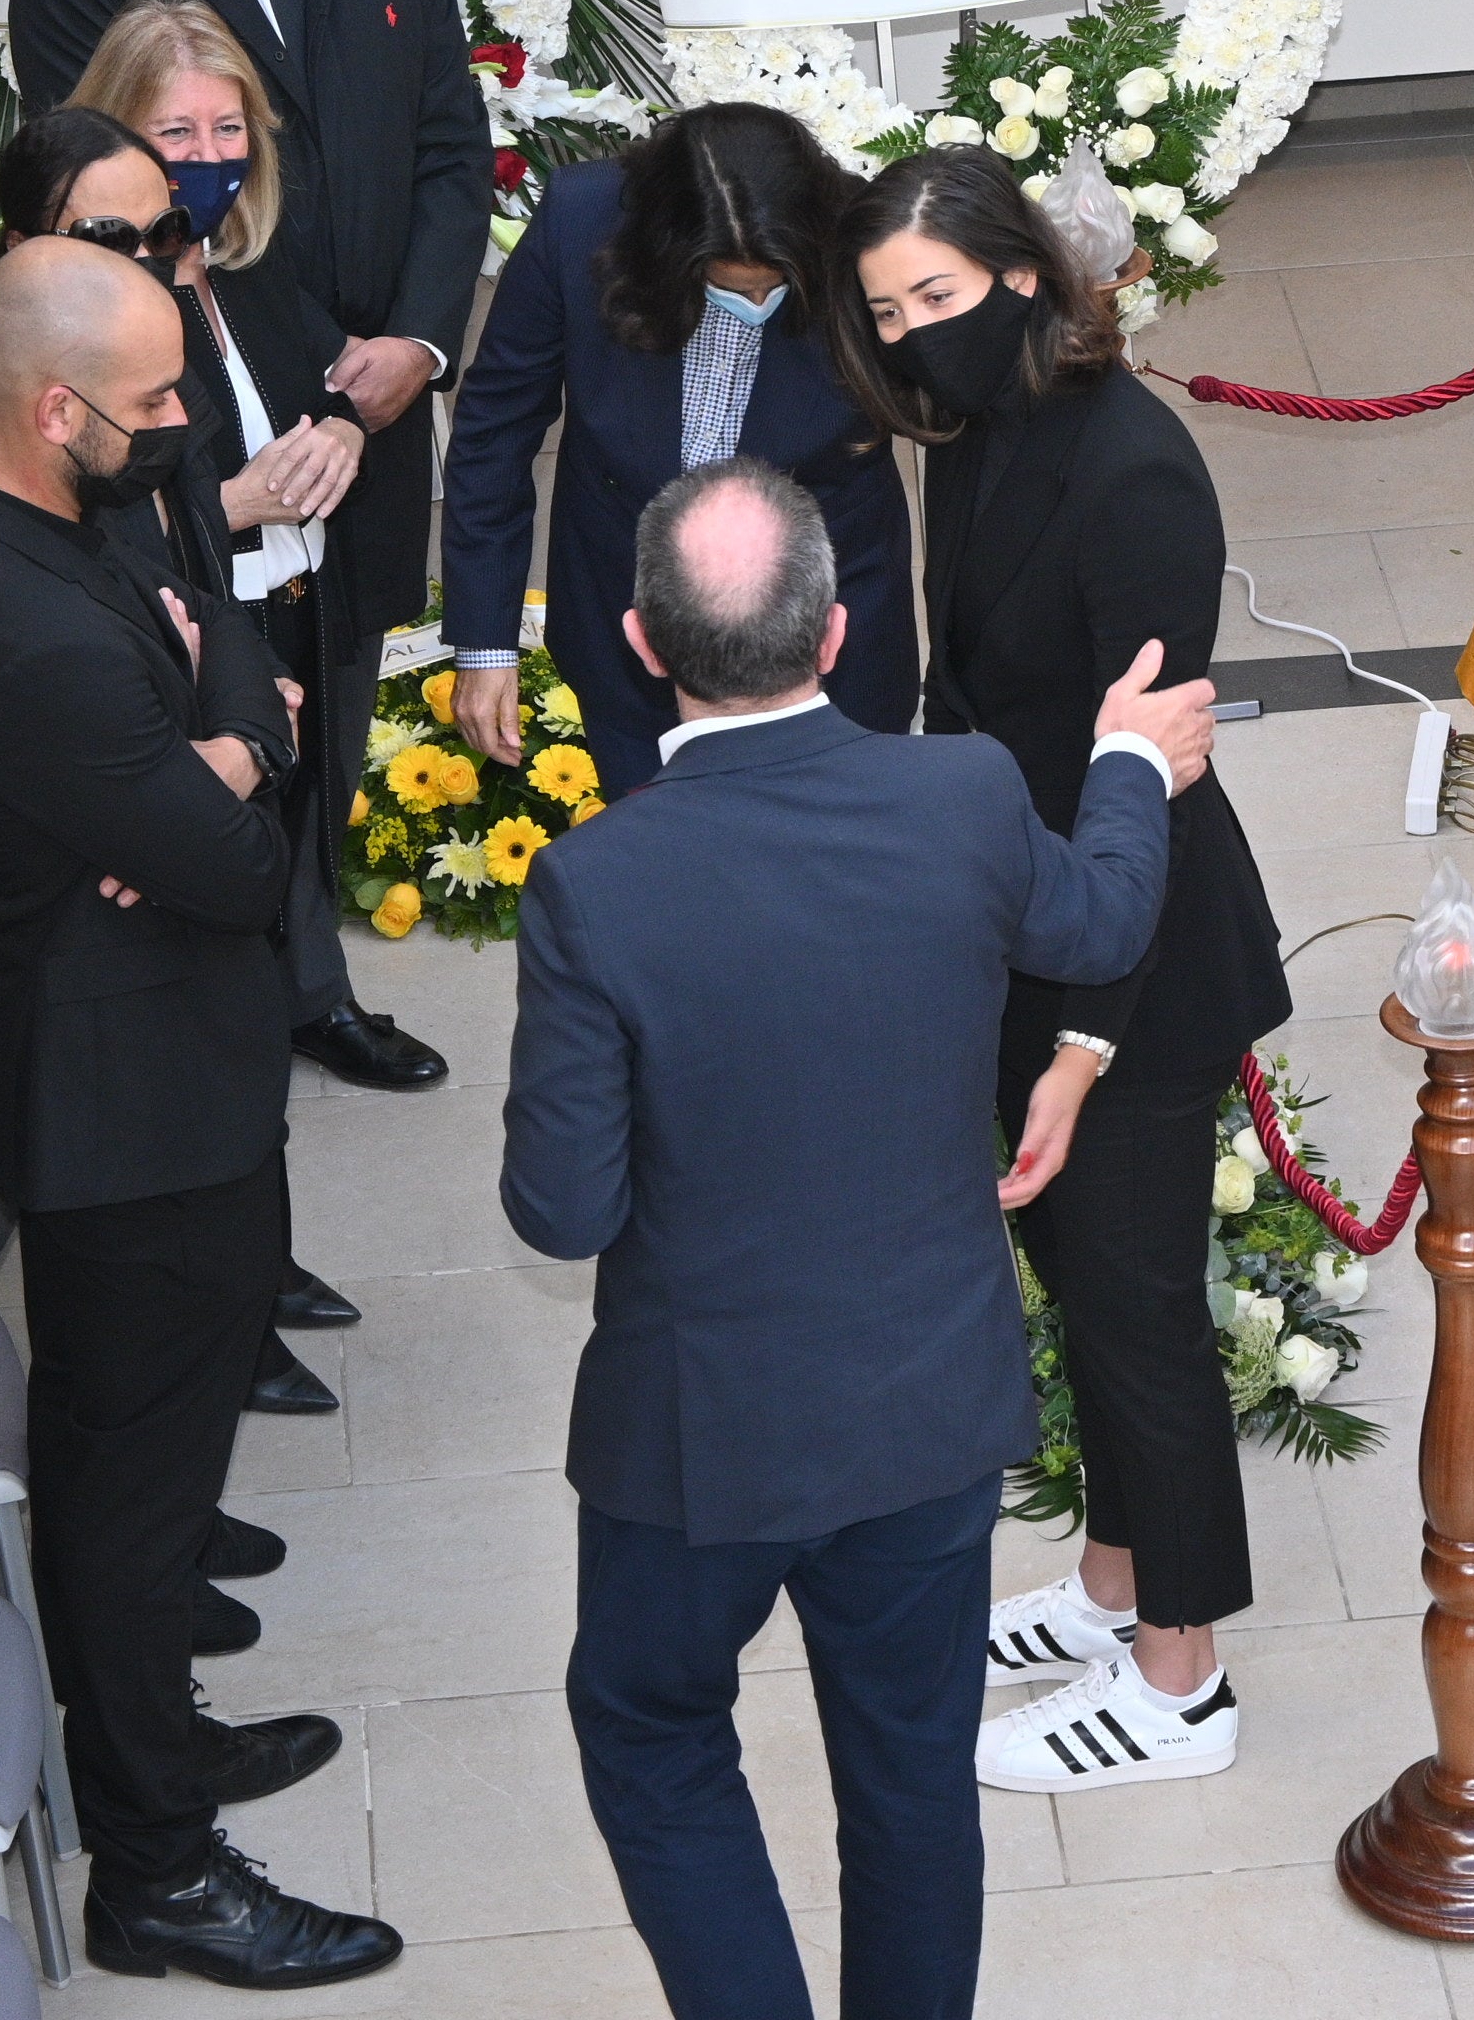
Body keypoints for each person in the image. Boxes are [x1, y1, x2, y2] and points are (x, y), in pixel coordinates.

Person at [504, 458, 1214, 2020]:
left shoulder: (593, 887)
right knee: (908, 1785)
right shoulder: (957, 793)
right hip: (923, 1408)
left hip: (698, 1443)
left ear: (636, 641)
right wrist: (1125, 766)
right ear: (834, 634)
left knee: (650, 1730)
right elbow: (1096, 924)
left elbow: (562, 1208)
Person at [0, 239, 402, 1991]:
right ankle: (158, 1865)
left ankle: (150, 1735)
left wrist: (211, 735)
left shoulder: (62, 492)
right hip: (122, 1110)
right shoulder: (20, 620)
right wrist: (235, 762)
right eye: (156, 399)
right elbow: (252, 856)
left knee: (147, 1474)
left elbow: (235, 638)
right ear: (51, 408)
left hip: (162, 1057)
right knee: (128, 1486)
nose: (187, 428)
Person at [832, 151, 1290, 1790]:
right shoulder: (976, 434)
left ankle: (1182, 1674)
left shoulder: (1133, 473)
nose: (909, 338)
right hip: (1023, 912)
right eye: (887, 312)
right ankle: (1114, 1583)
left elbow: (1146, 772)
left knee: (1138, 1304)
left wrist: (1082, 1033)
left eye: (936, 299)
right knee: (1083, 1290)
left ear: (1025, 278)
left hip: (1136, 953)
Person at [11, 0, 492, 1098]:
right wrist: (300, 395)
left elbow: (448, 150)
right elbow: (111, 206)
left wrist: (407, 349)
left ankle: (309, 979)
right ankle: (226, 1001)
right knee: (227, 693)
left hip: (380, 393)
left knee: (337, 679)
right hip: (213, 403)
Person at [0, 101, 383, 1443]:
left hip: (153, 845)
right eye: (122, 234)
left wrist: (213, 748)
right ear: (36, 247)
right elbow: (56, 688)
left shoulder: (136, 384)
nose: (167, 252)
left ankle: (230, 1341)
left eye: (173, 226)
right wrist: (214, 762)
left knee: (203, 1237)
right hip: (80, 916)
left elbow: (204, 602)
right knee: (120, 1355)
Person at [443, 102, 919, 771]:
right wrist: (486, 643)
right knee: (659, 854)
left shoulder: (865, 232)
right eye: (730, 288)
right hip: (627, 623)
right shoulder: (583, 219)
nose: (754, 307)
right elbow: (496, 425)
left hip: (833, 629)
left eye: (773, 288)